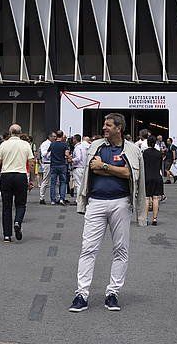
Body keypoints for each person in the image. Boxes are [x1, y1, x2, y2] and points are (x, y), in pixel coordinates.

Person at [69, 113, 145, 313]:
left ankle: (113, 293)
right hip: (95, 202)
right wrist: (115, 169)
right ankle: (81, 294)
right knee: (88, 248)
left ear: (119, 128)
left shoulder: (132, 150)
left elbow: (130, 174)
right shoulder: (96, 146)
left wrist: (104, 166)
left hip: (121, 203)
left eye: (108, 125)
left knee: (120, 249)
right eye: (104, 124)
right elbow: (93, 169)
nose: (104, 128)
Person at [0, 125, 35, 243]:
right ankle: (17, 222)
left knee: (6, 206)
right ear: (20, 133)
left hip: (6, 175)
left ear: (10, 132)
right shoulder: (26, 145)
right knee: (21, 204)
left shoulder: (3, 144)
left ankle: (7, 235)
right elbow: (31, 163)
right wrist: (31, 179)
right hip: (21, 175)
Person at [142, 142, 164, 225]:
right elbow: (160, 166)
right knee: (155, 198)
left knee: (147, 198)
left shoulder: (145, 152)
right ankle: (154, 219)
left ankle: (146, 218)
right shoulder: (159, 153)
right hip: (157, 176)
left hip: (147, 177)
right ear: (155, 143)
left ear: (148, 143)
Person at [48, 131, 70, 206]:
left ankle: (53, 200)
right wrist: (69, 157)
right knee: (63, 182)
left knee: (53, 183)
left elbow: (48, 153)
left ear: (56, 136)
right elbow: (66, 154)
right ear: (62, 136)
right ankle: (61, 198)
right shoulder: (65, 144)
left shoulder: (52, 144)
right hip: (62, 165)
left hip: (53, 165)